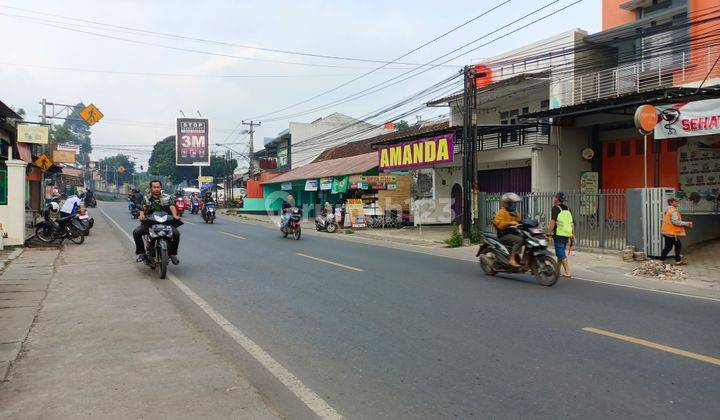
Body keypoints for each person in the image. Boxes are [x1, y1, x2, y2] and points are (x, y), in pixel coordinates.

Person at [133, 180, 181, 265]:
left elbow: (172, 206)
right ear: (151, 188)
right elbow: (142, 208)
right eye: (154, 187)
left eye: (158, 187)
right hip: (150, 222)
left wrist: (175, 215)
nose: (156, 189)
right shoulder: (146, 198)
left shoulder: (167, 197)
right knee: (136, 232)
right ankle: (142, 253)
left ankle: (172, 254)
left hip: (166, 222)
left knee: (176, 234)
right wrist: (142, 215)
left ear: (161, 187)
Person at [547, 192, 574, 277]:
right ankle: (557, 271)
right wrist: (572, 234)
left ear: (557, 199)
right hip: (566, 234)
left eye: (554, 197)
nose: (553, 198)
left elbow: (552, 222)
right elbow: (571, 223)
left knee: (560, 253)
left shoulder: (555, 208)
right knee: (560, 253)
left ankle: (567, 272)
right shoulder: (568, 209)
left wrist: (548, 232)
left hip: (558, 234)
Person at [660, 197, 693, 265]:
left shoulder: (668, 209)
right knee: (676, 245)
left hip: (666, 231)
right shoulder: (673, 210)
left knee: (669, 247)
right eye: (676, 201)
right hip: (671, 232)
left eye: (677, 201)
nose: (677, 202)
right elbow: (675, 222)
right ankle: (676, 261)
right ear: (671, 202)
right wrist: (686, 223)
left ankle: (663, 260)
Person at [493, 192, 523, 267]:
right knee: (519, 240)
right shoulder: (501, 212)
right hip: (503, 235)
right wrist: (510, 223)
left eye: (515, 203)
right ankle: (512, 260)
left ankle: (523, 259)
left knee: (526, 238)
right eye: (513, 203)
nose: (514, 205)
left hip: (513, 233)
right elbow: (499, 224)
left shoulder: (516, 213)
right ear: (507, 203)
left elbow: (519, 222)